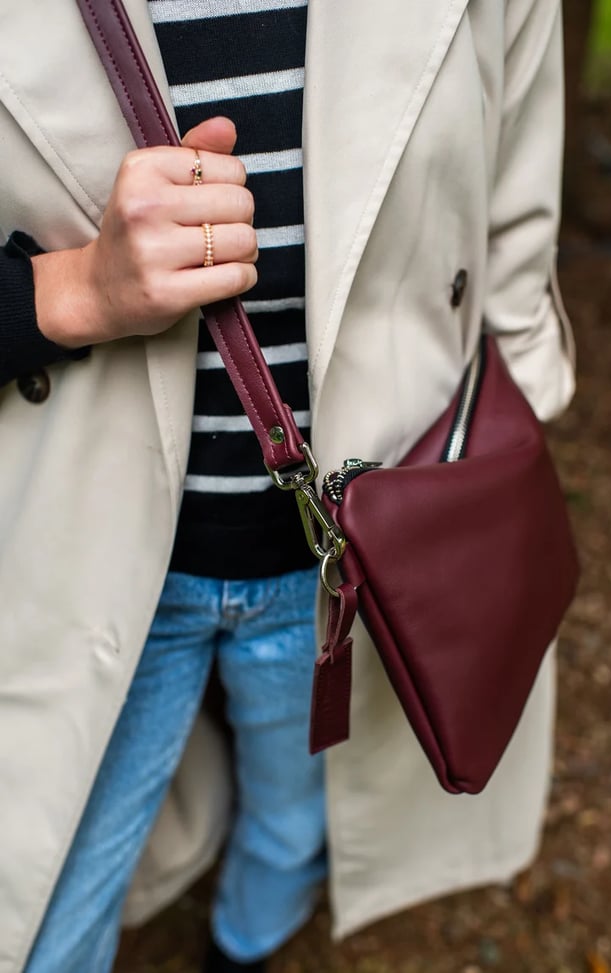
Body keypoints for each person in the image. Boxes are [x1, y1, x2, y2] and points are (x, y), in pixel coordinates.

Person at [0, 1, 576, 971]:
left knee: (293, 818)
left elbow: (513, 242)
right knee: (43, 903)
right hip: (81, 557)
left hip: (357, 566)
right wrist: (75, 290)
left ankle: (244, 943)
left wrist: (492, 489)